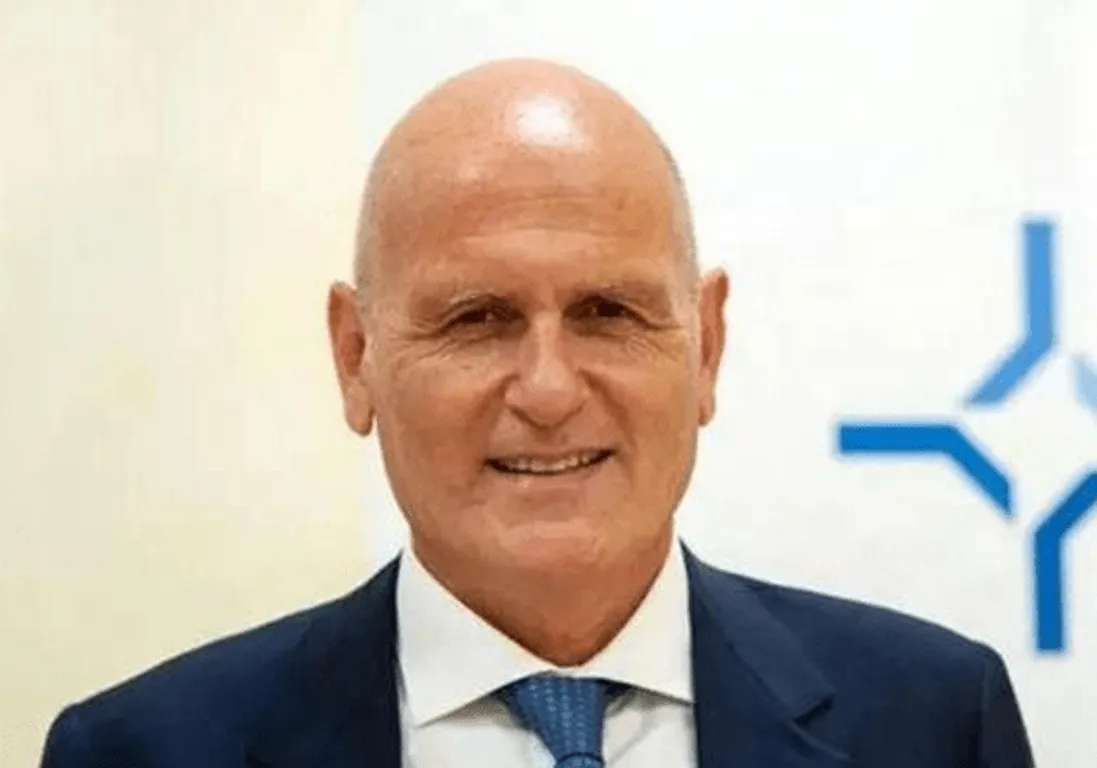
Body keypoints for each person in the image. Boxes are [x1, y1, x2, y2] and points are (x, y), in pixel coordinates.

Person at [40, 58, 1034, 768]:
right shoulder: (140, 752)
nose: (549, 390)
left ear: (705, 347)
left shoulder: (935, 724)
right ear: (355, 358)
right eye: (476, 319)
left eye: (608, 312)